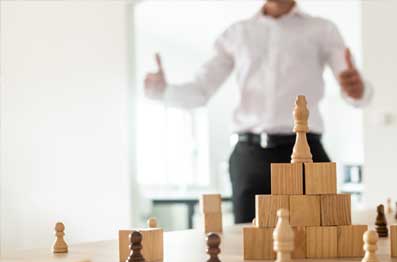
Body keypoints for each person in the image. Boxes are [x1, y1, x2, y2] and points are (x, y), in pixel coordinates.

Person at [144, 0, 373, 223]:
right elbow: (201, 90)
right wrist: (164, 92)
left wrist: (357, 90)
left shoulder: (323, 30)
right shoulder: (236, 33)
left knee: (320, 243)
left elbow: (353, 85)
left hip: (308, 155)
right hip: (250, 158)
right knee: (253, 249)